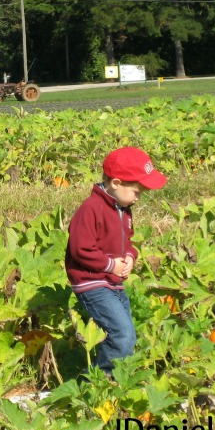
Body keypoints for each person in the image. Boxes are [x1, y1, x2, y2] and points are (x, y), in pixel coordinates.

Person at [65, 147, 167, 375]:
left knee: (126, 335)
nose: (139, 197)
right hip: (92, 283)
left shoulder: (123, 208)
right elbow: (80, 248)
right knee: (122, 335)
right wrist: (111, 265)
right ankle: (99, 384)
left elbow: (127, 241)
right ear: (117, 183)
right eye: (137, 191)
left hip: (113, 283)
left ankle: (113, 381)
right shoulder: (91, 209)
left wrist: (130, 256)